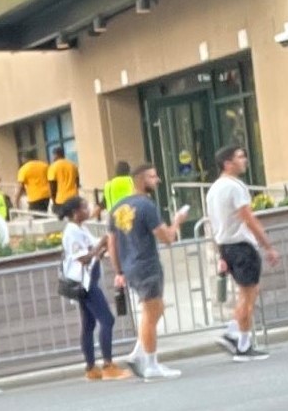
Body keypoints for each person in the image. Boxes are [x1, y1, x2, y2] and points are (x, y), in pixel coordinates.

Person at [111, 162, 190, 381]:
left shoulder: (118, 207)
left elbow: (112, 241)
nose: (158, 181)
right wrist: (177, 221)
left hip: (130, 266)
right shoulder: (146, 206)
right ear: (141, 180)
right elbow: (167, 238)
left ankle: (138, 354)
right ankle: (151, 364)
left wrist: (118, 270)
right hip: (147, 264)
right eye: (153, 177)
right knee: (150, 312)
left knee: (155, 309)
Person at [206, 144, 278, 361]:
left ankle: (233, 332)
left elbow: (214, 223)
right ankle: (243, 345)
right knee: (249, 296)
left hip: (227, 245)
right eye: (240, 157)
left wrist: (221, 254)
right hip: (242, 245)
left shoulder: (213, 190)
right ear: (228, 163)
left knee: (244, 294)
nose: (245, 160)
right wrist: (267, 246)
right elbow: (248, 218)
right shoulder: (235, 187)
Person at [61, 196, 125, 380]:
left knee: (88, 324)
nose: (88, 210)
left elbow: (94, 250)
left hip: (89, 280)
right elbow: (83, 257)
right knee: (107, 320)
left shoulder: (81, 229)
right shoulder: (72, 232)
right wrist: (102, 242)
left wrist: (104, 245)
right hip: (85, 284)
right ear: (75, 212)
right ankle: (108, 363)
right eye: (84, 207)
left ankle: (91, 367)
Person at [49, 145, 80, 218]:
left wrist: (53, 200)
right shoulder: (72, 165)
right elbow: (77, 182)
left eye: (53, 155)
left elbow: (52, 186)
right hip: (73, 198)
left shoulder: (53, 167)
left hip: (61, 200)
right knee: (73, 218)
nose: (52, 157)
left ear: (56, 155)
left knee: (61, 221)